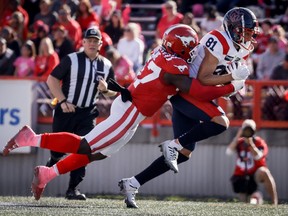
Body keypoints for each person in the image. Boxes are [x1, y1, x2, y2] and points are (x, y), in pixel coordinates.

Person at [3, 24, 245, 201]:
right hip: (131, 110)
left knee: (98, 154)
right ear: (179, 47)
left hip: (132, 110)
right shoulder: (174, 67)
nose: (192, 52)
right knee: (87, 146)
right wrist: (232, 83)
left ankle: (47, 173)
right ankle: (31, 138)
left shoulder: (164, 53)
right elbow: (197, 90)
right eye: (189, 47)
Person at [118, 7, 258, 208]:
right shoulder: (218, 40)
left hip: (194, 91)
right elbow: (204, 77)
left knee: (184, 152)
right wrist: (232, 79)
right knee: (220, 122)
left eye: (251, 32)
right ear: (233, 29)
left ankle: (133, 183)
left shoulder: (242, 46)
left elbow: (220, 79)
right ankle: (172, 145)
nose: (249, 36)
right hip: (187, 89)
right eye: (245, 31)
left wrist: (232, 85)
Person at [45, 26, 116, 200]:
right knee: (57, 152)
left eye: (95, 41)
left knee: (84, 151)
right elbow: (51, 79)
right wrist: (62, 101)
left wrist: (106, 90)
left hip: (87, 113)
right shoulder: (71, 59)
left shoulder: (106, 65)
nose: (92, 43)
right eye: (89, 40)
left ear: (100, 44)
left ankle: (73, 189)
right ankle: (47, 170)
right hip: (66, 110)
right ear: (83, 42)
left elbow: (113, 91)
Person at [226, 119, 278, 205]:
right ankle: (255, 197)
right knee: (245, 203)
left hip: (255, 174)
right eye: (245, 128)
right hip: (241, 176)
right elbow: (228, 152)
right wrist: (238, 136)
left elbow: (259, 156)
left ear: (254, 130)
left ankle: (274, 202)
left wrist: (251, 144)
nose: (247, 131)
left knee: (264, 171)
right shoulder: (239, 142)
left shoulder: (259, 142)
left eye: (249, 129)